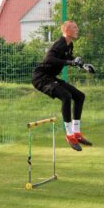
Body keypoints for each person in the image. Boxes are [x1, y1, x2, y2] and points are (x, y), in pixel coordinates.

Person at [32, 20, 93, 152]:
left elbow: (70, 58)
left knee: (79, 96)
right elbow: (49, 59)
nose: (77, 29)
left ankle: (77, 133)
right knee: (66, 96)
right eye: (74, 27)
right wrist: (70, 62)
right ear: (66, 31)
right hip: (41, 78)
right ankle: (69, 135)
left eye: (77, 27)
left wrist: (84, 66)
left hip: (51, 78)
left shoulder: (69, 45)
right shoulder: (60, 43)